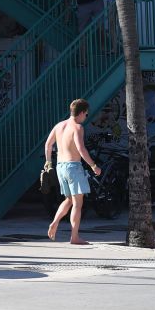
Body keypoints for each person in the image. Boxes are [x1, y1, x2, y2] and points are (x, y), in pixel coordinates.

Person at [44, 99, 101, 244]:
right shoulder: (77, 128)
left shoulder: (59, 126)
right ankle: (74, 237)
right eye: (86, 115)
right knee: (77, 204)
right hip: (73, 167)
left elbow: (48, 145)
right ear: (81, 113)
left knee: (69, 200)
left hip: (60, 166)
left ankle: (55, 222)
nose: (85, 117)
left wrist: (48, 162)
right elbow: (81, 149)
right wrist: (93, 166)